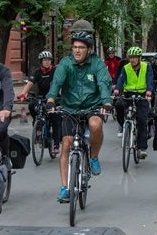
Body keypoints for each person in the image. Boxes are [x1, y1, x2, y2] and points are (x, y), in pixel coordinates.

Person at [46, 30, 112, 202]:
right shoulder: (65, 64)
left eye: (81, 47)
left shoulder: (97, 64)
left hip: (92, 106)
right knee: (66, 145)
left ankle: (94, 157)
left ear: (89, 49)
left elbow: (104, 83)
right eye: (75, 47)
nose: (77, 51)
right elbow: (56, 82)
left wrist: (106, 103)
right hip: (70, 108)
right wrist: (51, 99)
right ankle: (64, 187)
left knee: (96, 124)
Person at [113, 47, 152, 159]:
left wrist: (149, 91)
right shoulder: (126, 68)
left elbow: (149, 80)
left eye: (135, 57)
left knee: (141, 120)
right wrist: (117, 89)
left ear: (139, 58)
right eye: (130, 57)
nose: (132, 60)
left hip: (142, 95)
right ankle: (123, 125)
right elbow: (121, 80)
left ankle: (142, 148)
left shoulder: (146, 66)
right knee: (118, 105)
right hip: (128, 94)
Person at [18, 50, 59, 153]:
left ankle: (56, 144)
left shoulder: (55, 71)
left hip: (54, 98)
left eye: (49, 60)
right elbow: (30, 83)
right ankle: (38, 124)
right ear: (41, 61)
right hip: (41, 97)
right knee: (32, 105)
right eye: (45, 60)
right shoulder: (37, 72)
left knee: (55, 118)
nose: (47, 62)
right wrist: (23, 93)